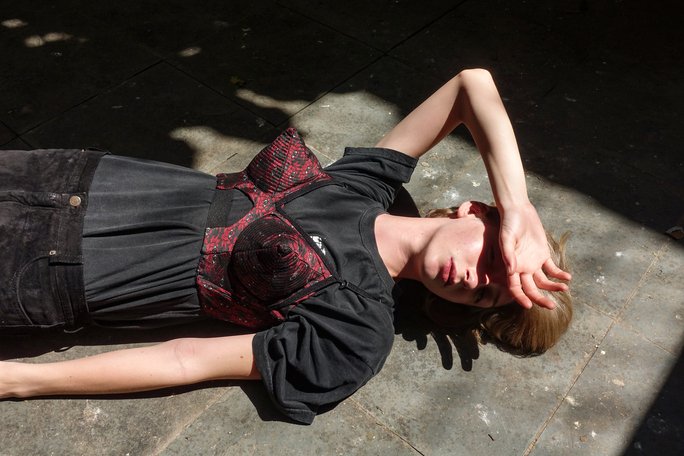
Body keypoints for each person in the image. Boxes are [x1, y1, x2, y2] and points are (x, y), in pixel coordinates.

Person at [0, 69, 571, 424]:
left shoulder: (358, 328)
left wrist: (22, 381)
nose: (475, 281)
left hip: (49, 272)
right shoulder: (365, 185)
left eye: (485, 297)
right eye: (495, 258)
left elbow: (187, 359)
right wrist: (520, 210)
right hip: (71, 178)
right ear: (477, 211)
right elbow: (472, 85)